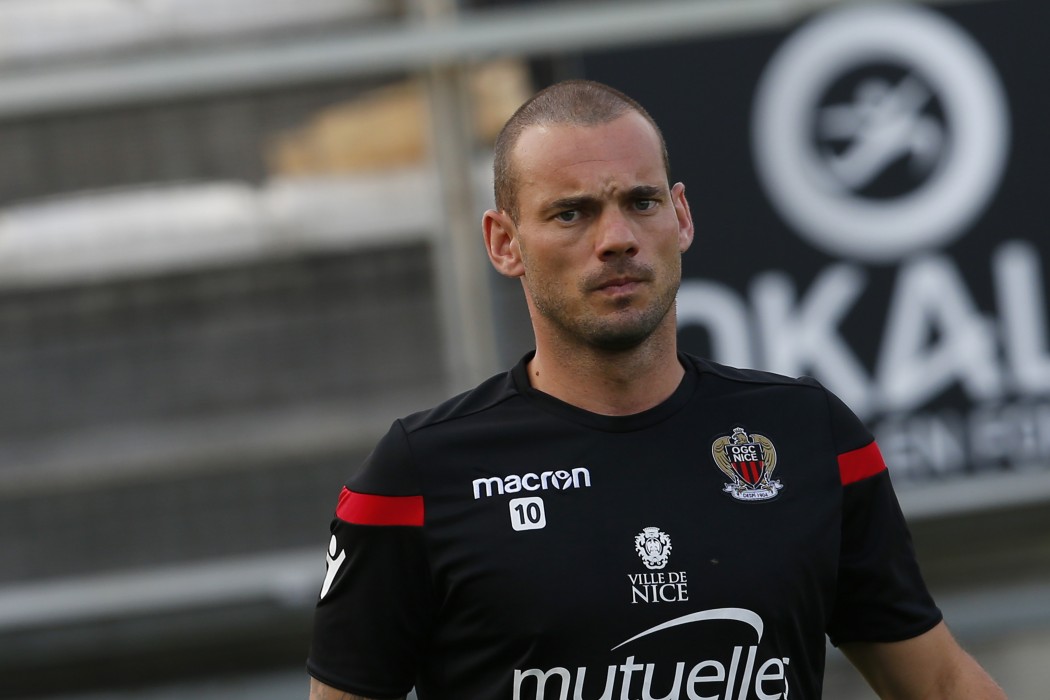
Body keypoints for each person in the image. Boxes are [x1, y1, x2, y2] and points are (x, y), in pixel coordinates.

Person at [306, 80, 1005, 700]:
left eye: (640, 202)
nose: (617, 238)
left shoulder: (809, 435)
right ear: (503, 242)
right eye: (571, 213)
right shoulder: (418, 476)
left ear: (682, 216)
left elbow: (939, 683)